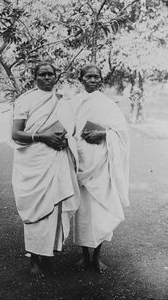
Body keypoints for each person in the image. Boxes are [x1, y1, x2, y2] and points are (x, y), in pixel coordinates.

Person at [11, 62, 80, 275]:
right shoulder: (25, 100)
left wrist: (63, 140)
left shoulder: (63, 102)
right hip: (33, 162)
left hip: (55, 158)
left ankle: (48, 255)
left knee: (53, 208)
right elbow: (16, 134)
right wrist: (44, 137)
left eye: (51, 74)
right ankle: (34, 259)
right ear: (35, 77)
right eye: (42, 74)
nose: (47, 78)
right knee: (36, 209)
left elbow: (71, 130)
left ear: (56, 77)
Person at [72, 64, 130, 273]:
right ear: (81, 79)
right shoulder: (74, 103)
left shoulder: (108, 104)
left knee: (100, 210)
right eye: (89, 76)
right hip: (81, 161)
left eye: (97, 77)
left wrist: (104, 134)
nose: (94, 80)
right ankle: (84, 255)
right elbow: (68, 129)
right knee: (84, 211)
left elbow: (122, 132)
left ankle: (97, 256)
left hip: (101, 163)